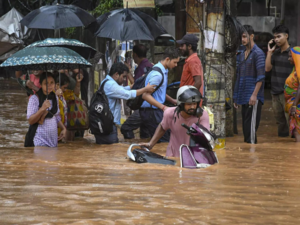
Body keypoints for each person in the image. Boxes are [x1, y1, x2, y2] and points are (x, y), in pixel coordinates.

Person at [94, 62, 156, 144]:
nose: (124, 80)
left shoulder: (106, 81)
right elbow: (128, 95)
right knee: (112, 151)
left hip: (104, 122)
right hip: (108, 124)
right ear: (116, 74)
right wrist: (145, 89)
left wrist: (133, 86)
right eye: (123, 77)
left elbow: (121, 90)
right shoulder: (111, 85)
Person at [140, 86, 209, 157]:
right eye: (189, 104)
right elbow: (162, 127)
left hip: (194, 156)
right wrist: (150, 144)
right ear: (181, 104)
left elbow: (206, 136)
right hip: (173, 155)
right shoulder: (170, 113)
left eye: (194, 104)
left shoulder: (202, 115)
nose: (192, 107)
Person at [140, 47, 180, 142]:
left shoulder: (163, 71)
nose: (176, 65)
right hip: (152, 112)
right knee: (163, 141)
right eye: (175, 62)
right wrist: (163, 107)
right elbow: (145, 95)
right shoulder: (157, 75)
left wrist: (172, 100)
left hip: (154, 111)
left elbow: (159, 92)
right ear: (167, 59)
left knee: (160, 141)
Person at [233, 25, 265, 144]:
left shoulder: (258, 53)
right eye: (241, 37)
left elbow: (261, 77)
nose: (243, 40)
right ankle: (247, 160)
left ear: (252, 36)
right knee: (246, 131)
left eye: (245, 37)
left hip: (253, 98)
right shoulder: (241, 54)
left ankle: (252, 159)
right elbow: (238, 76)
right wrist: (236, 97)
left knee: (251, 134)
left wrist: (254, 95)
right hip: (243, 96)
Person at [265, 25, 294, 137]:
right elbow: (267, 68)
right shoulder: (275, 53)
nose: (276, 39)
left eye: (279, 36)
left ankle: (293, 149)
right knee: (280, 122)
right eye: (275, 37)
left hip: (288, 93)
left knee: (291, 121)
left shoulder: (293, 53)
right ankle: (283, 143)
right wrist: (270, 52)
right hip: (275, 93)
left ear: (286, 36)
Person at [121, 44, 154, 139]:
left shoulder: (141, 68)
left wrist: (127, 71)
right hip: (150, 106)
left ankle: (131, 147)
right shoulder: (150, 65)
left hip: (143, 106)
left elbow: (136, 85)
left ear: (135, 55)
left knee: (125, 128)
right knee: (145, 134)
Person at [26, 72, 66, 147]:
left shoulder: (55, 98)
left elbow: (56, 117)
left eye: (52, 82)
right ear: (40, 85)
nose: (49, 85)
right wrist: (42, 109)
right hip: (39, 140)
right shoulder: (34, 99)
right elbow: (30, 121)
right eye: (46, 83)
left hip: (53, 141)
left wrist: (63, 128)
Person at [177, 34, 203, 99]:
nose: (180, 48)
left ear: (189, 46)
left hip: (189, 102)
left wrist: (188, 98)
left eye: (182, 45)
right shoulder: (190, 60)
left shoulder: (193, 61)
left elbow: (198, 82)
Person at [284, 47, 300, 142]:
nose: (288, 59)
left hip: (297, 108)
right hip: (294, 107)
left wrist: (294, 105)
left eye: (291, 57)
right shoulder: (295, 69)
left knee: (297, 132)